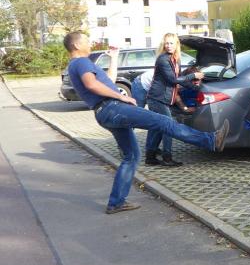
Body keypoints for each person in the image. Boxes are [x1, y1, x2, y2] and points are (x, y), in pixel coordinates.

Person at [63, 32, 229, 214]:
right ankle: (210, 140)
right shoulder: (81, 62)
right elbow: (91, 85)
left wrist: (114, 59)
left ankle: (116, 203)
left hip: (104, 112)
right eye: (86, 41)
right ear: (77, 45)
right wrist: (121, 96)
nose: (90, 43)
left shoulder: (76, 64)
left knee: (132, 156)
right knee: (163, 121)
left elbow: (108, 81)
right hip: (113, 108)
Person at [145, 33, 202, 167]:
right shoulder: (163, 59)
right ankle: (167, 157)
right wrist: (193, 75)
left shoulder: (176, 60)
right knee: (169, 126)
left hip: (163, 99)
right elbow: (173, 80)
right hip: (157, 99)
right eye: (167, 43)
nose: (169, 46)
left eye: (171, 43)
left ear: (176, 45)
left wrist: (196, 88)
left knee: (158, 128)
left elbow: (180, 81)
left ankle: (150, 157)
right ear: (163, 45)